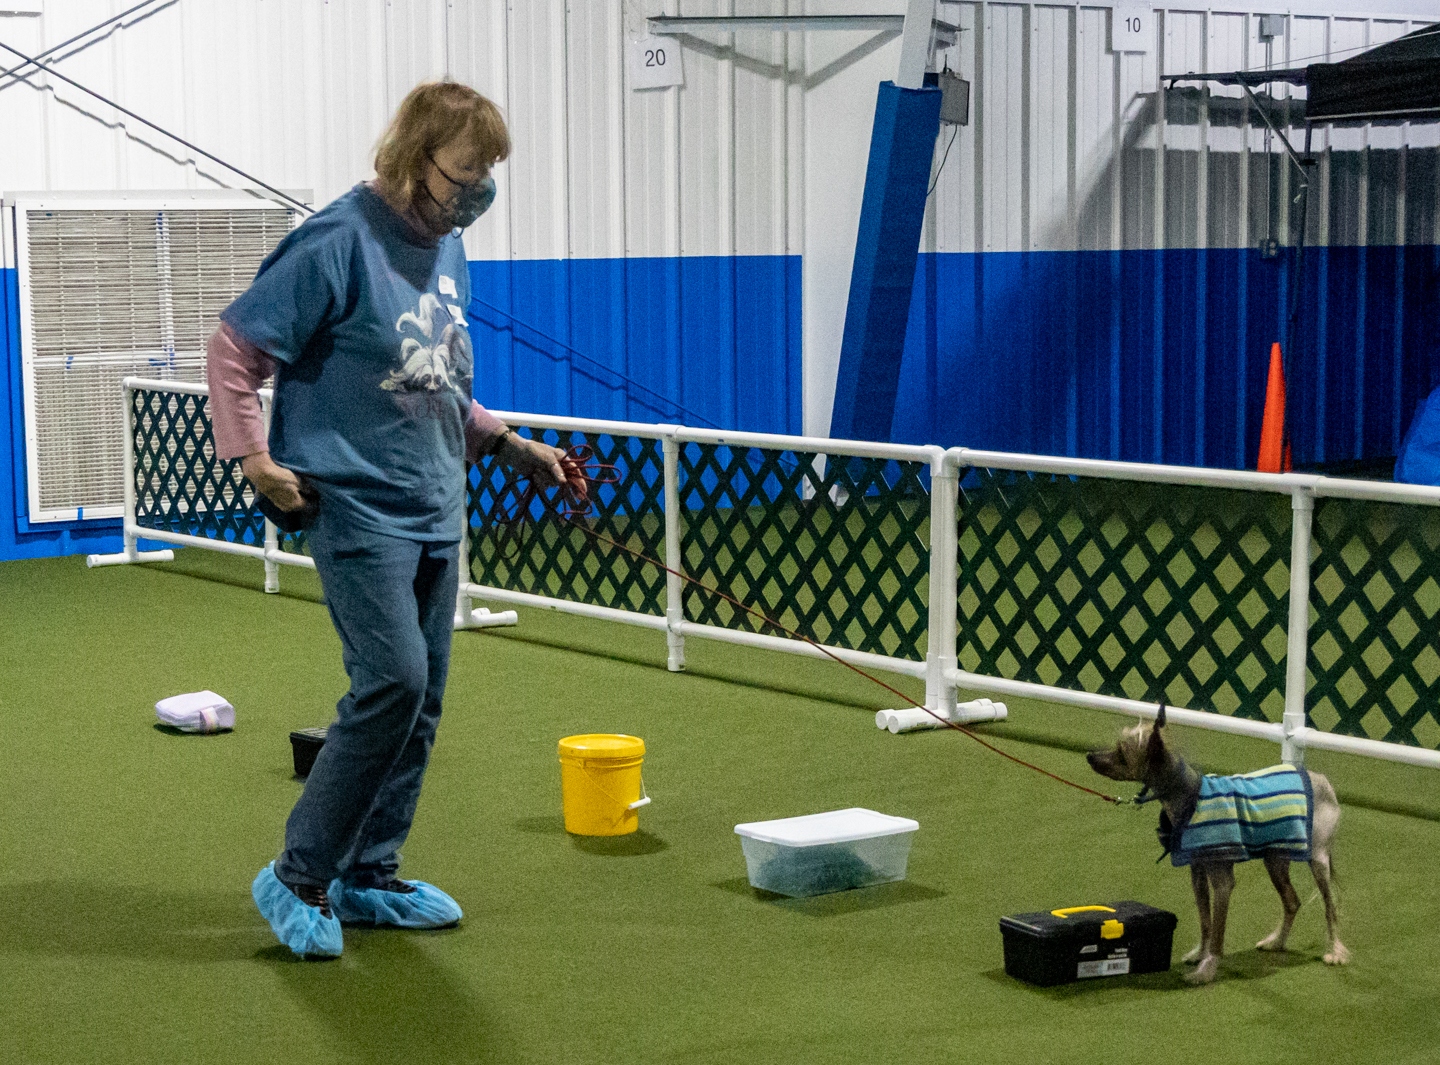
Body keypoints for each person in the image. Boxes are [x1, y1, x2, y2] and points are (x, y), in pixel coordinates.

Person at [207, 81, 578, 957]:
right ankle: (298, 873)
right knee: (393, 683)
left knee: (423, 699)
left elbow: (431, 378)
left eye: (488, 174)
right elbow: (234, 348)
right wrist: (254, 460)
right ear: (416, 157)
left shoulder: (447, 248)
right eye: (466, 173)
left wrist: (509, 443)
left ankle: (369, 873)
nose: (478, 192)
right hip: (354, 505)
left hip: (435, 504)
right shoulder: (338, 239)